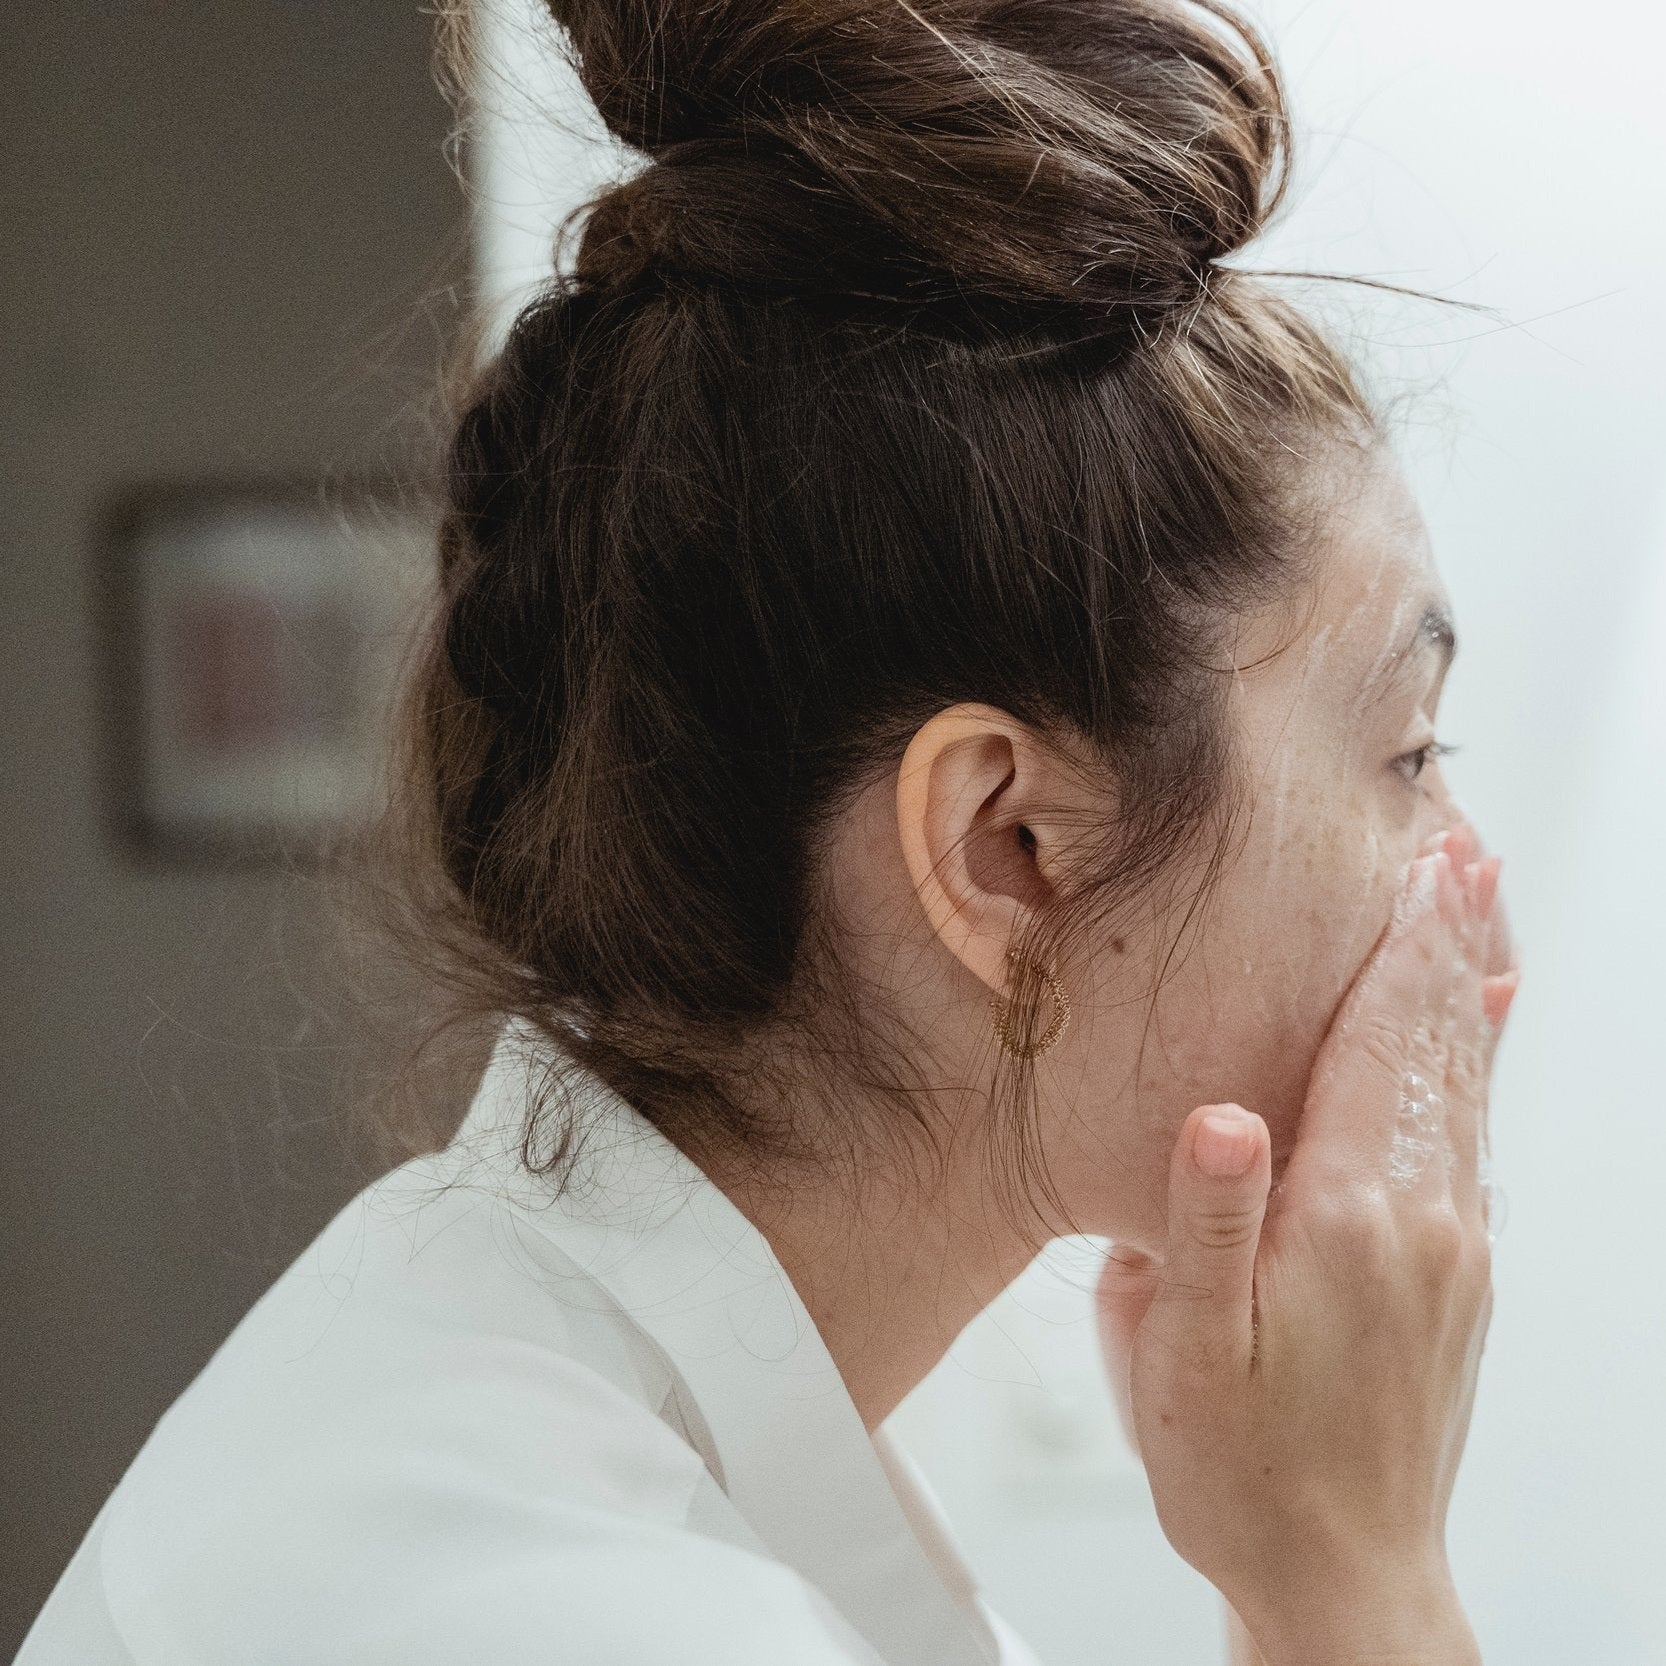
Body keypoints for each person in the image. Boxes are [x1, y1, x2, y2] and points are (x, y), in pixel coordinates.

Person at [16, 0, 1523, 1661]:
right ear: (1003, 848)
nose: (1461, 875)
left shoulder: (552, 1402)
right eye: (1407, 748)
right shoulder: (553, 1608)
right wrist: (1352, 1573)